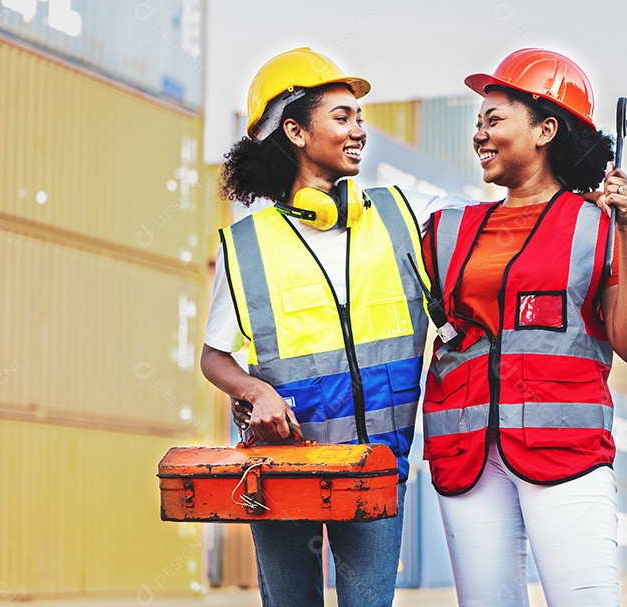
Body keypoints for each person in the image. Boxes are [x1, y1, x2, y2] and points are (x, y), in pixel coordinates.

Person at [201, 48, 464, 607]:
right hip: (282, 467)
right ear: (295, 131)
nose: (359, 131)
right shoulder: (246, 247)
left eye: (360, 118)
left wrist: (581, 203)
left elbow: (501, 223)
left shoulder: (405, 214)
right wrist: (255, 389)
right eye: (342, 117)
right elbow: (213, 355)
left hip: (375, 466)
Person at [420, 48, 627, 607]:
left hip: (567, 455)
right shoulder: (448, 228)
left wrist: (626, 231)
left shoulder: (596, 223)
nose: (480, 135)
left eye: (494, 119)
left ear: (546, 129)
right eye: (477, 123)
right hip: (466, 457)